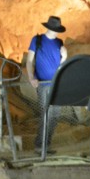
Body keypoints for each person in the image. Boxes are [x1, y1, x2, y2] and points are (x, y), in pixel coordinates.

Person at [26, 15, 68, 151]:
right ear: (49, 28)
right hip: (43, 84)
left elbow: (60, 64)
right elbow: (29, 61)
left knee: (55, 116)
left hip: (56, 84)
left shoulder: (59, 42)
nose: (57, 32)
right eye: (55, 29)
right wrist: (31, 77)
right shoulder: (37, 40)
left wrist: (65, 56)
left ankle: (46, 145)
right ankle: (39, 145)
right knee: (46, 115)